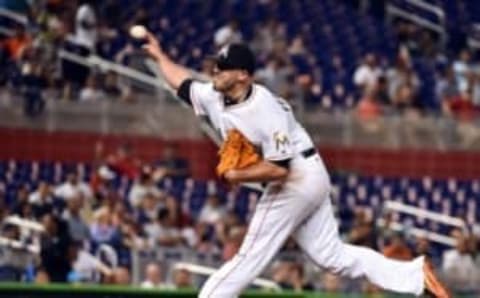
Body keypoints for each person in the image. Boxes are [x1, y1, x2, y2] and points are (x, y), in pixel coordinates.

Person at [142, 32, 450, 297]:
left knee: (250, 255)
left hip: (296, 178)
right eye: (216, 65)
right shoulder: (215, 94)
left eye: (223, 68)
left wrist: (238, 174)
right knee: (332, 256)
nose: (215, 71)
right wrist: (158, 55)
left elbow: (280, 168)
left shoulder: (263, 108)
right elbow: (183, 84)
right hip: (307, 174)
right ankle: (413, 275)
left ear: (243, 76)